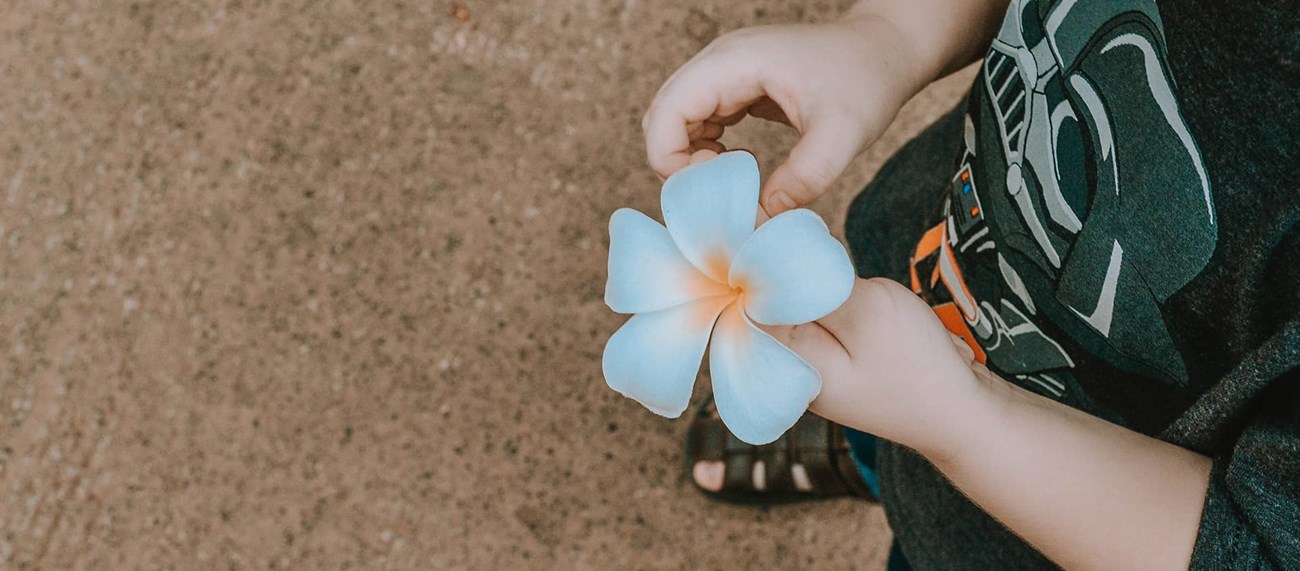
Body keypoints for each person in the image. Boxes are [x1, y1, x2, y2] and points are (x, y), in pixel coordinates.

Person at [641, 0, 1300, 568]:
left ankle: (887, 437)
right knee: (877, 399)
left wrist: (962, 424)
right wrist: (887, 36)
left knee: (931, 518)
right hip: (942, 250)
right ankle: (871, 445)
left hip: (1036, 519)